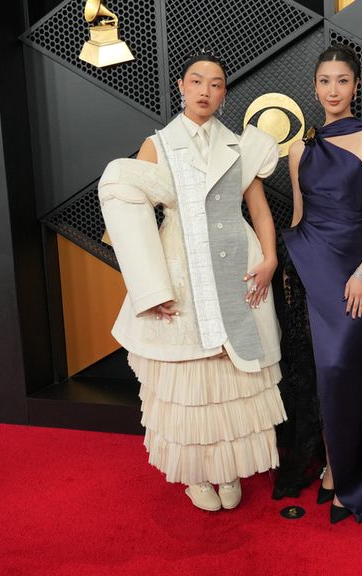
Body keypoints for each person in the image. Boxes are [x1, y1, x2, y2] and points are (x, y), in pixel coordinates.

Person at [98, 52, 286, 512]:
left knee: (232, 377)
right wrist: (151, 284)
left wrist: (269, 259)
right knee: (191, 382)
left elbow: (259, 210)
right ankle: (197, 474)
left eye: (216, 84)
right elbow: (129, 204)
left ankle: (228, 469)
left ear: (224, 93)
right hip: (182, 266)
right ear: (182, 86)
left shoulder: (241, 144)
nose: (205, 91)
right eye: (197, 81)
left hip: (239, 264)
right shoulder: (158, 144)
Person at [280, 45, 362, 523]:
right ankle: (330, 467)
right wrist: (291, 270)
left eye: (342, 81)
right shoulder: (298, 148)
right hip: (309, 267)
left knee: (343, 371)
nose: (333, 89)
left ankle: (351, 472)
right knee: (315, 371)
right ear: (315, 87)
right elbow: (298, 215)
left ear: (355, 86)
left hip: (355, 273)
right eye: (325, 81)